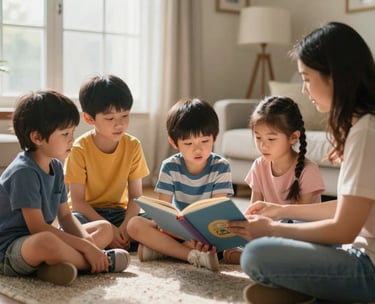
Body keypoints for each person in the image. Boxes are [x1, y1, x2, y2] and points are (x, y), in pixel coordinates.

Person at [228, 22, 375, 303]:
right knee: (292, 229)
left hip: (367, 268)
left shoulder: (367, 132)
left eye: (306, 78)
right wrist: (280, 210)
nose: (304, 89)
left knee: (256, 256)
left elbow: (345, 228)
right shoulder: (363, 126)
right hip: (356, 252)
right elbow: (350, 209)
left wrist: (272, 228)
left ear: (334, 77)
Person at [0, 90, 130, 286]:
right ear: (37, 137)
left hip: (36, 241)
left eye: (72, 132)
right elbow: (37, 228)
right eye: (65, 134)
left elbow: (66, 217)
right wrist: (88, 248)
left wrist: (86, 242)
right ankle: (100, 262)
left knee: (104, 228)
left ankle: (57, 266)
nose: (72, 139)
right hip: (11, 249)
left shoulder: (57, 166)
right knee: (47, 241)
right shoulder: (23, 172)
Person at [127, 98, 234, 271]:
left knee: (231, 238)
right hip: (177, 230)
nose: (197, 149)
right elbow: (164, 212)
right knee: (134, 224)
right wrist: (174, 229)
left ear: (215, 137)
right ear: (174, 142)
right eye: (188, 143)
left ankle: (165, 250)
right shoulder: (170, 167)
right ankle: (190, 255)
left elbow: (216, 211)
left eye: (204, 141)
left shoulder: (221, 167)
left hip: (207, 231)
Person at [223, 96, 325, 265]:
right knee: (232, 238)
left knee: (289, 224)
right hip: (268, 232)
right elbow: (253, 210)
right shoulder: (259, 165)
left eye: (271, 139)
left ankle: (261, 256)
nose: (263, 146)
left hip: (298, 233)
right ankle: (257, 255)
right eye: (258, 138)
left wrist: (271, 227)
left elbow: (302, 219)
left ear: (293, 137)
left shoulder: (308, 170)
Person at [64, 74, 150, 251]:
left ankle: (109, 245)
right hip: (86, 214)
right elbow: (78, 202)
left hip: (120, 214)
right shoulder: (79, 149)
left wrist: (124, 228)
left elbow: (136, 196)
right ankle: (97, 248)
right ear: (89, 119)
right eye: (110, 119)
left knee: (151, 221)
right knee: (72, 227)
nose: (119, 124)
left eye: (125, 115)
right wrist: (108, 229)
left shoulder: (133, 146)